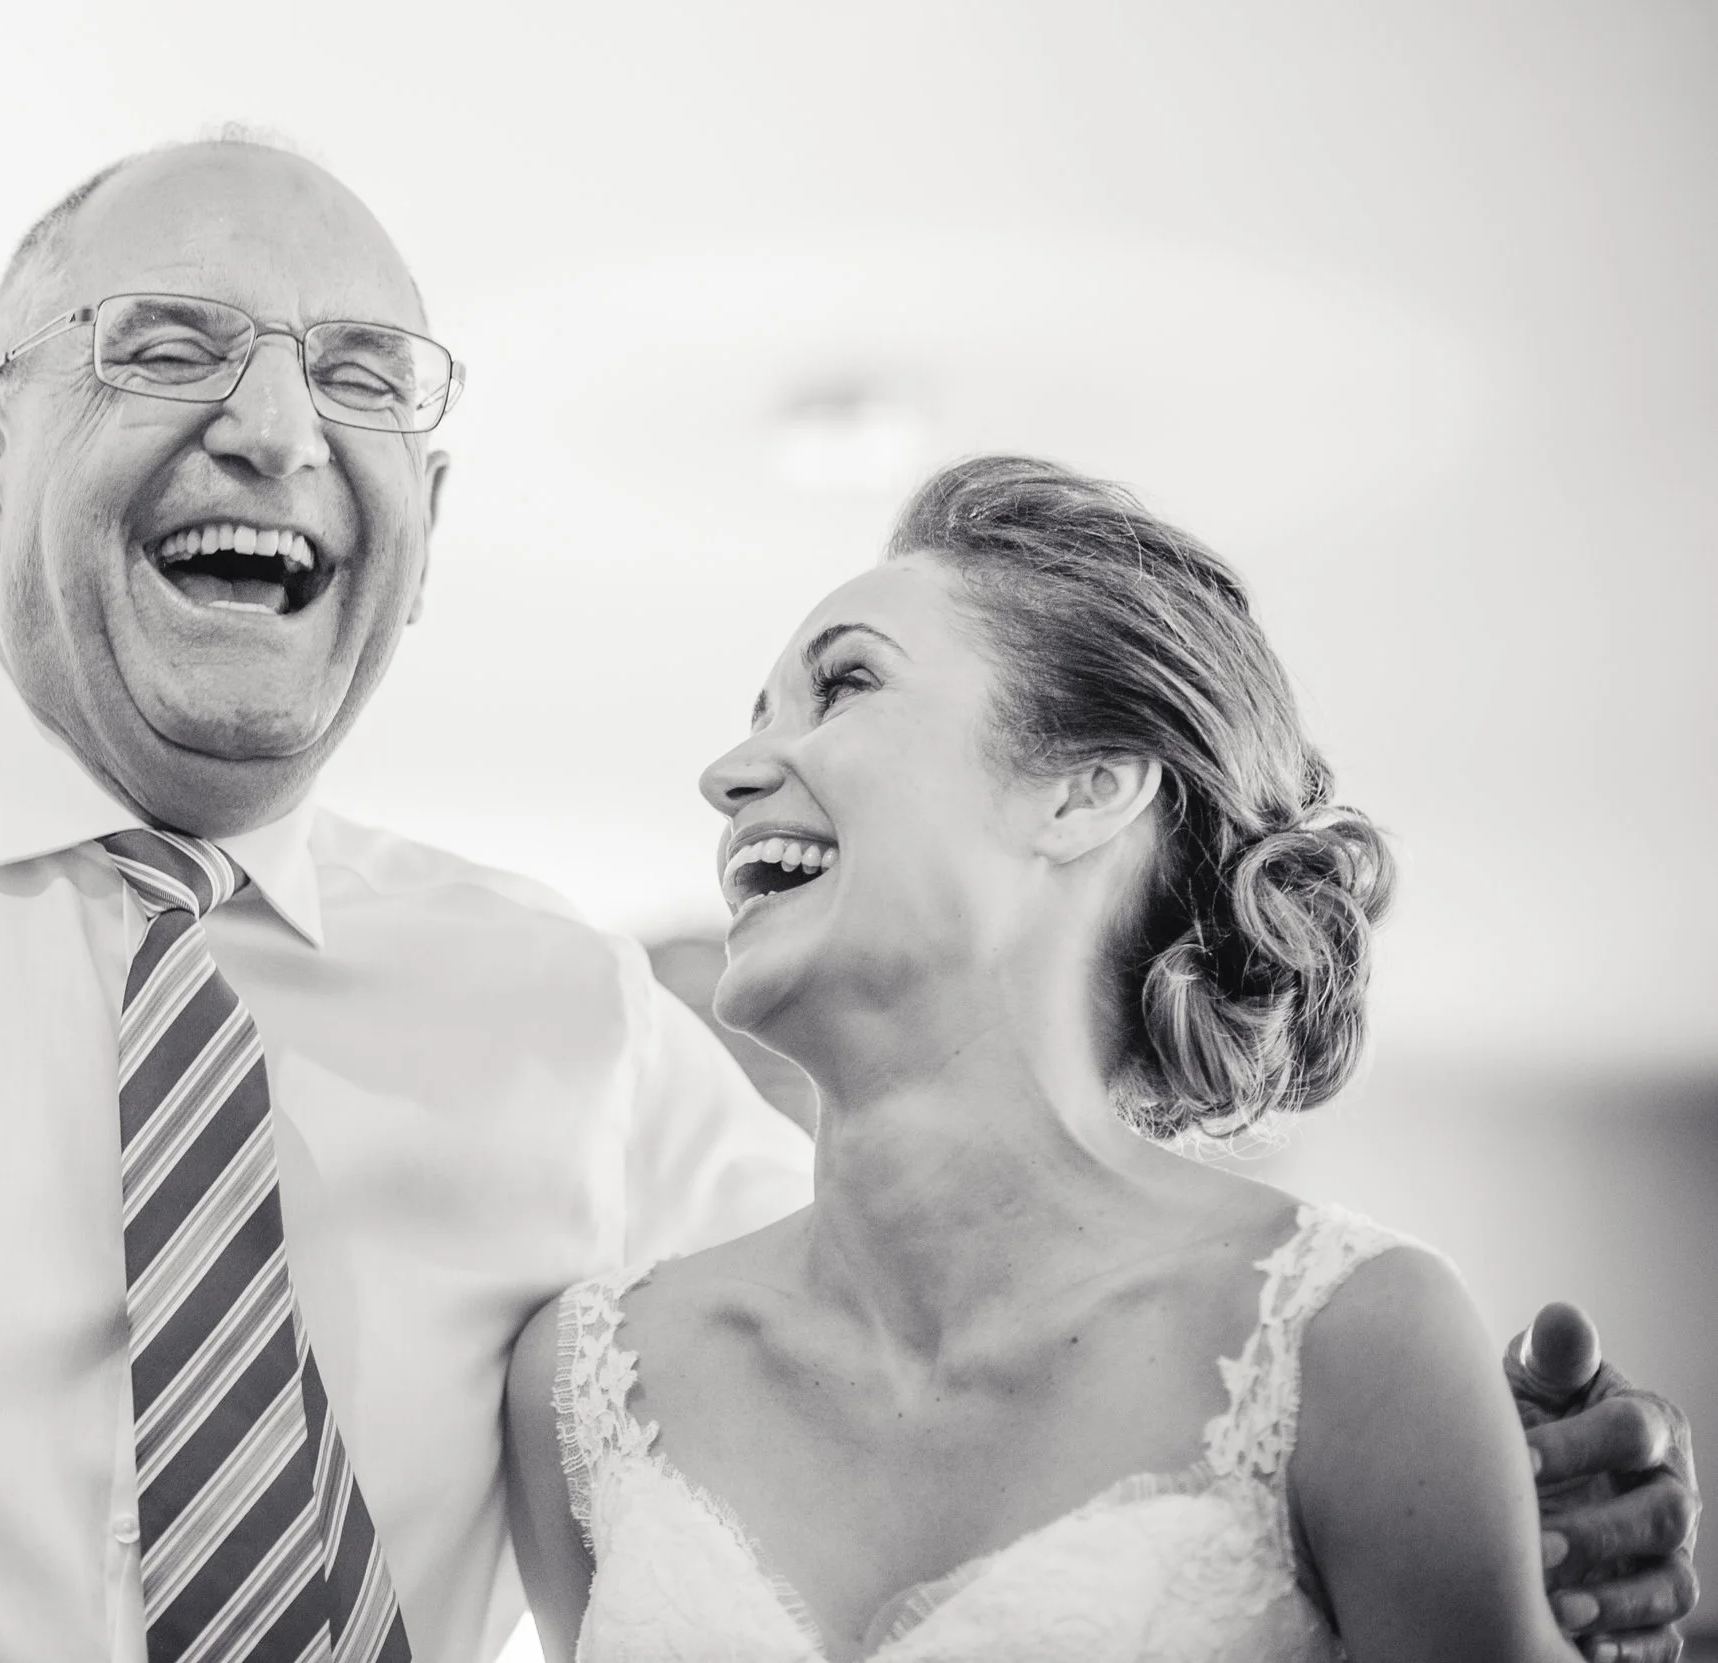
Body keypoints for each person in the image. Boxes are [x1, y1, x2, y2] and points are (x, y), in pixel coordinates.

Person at [0, 140, 1693, 1663]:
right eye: (168, 341)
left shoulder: (580, 1031)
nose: (276, 423)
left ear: (419, 517)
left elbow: (1015, 1362)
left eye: (365, 373)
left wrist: (1468, 1486)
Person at [502, 457, 1700, 1663]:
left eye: (844, 684)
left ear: (1084, 791)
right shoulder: (590, 1391)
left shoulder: (1352, 1340)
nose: (730, 773)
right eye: (755, 717)